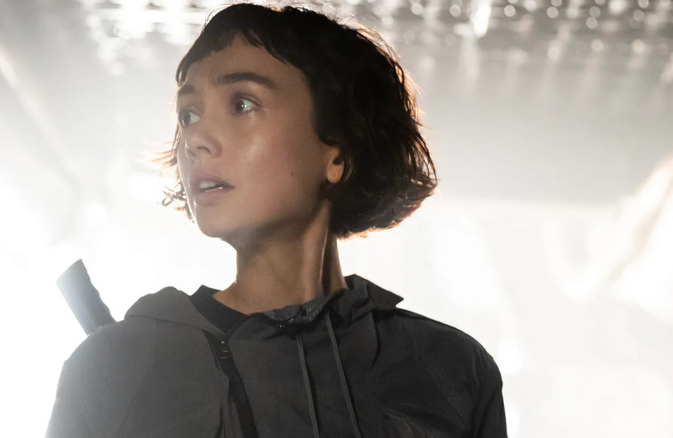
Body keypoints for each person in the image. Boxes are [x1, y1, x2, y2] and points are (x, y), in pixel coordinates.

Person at [46, 3, 507, 437]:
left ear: (337, 155)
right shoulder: (114, 367)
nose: (196, 138)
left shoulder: (452, 367)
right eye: (188, 114)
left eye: (242, 104)